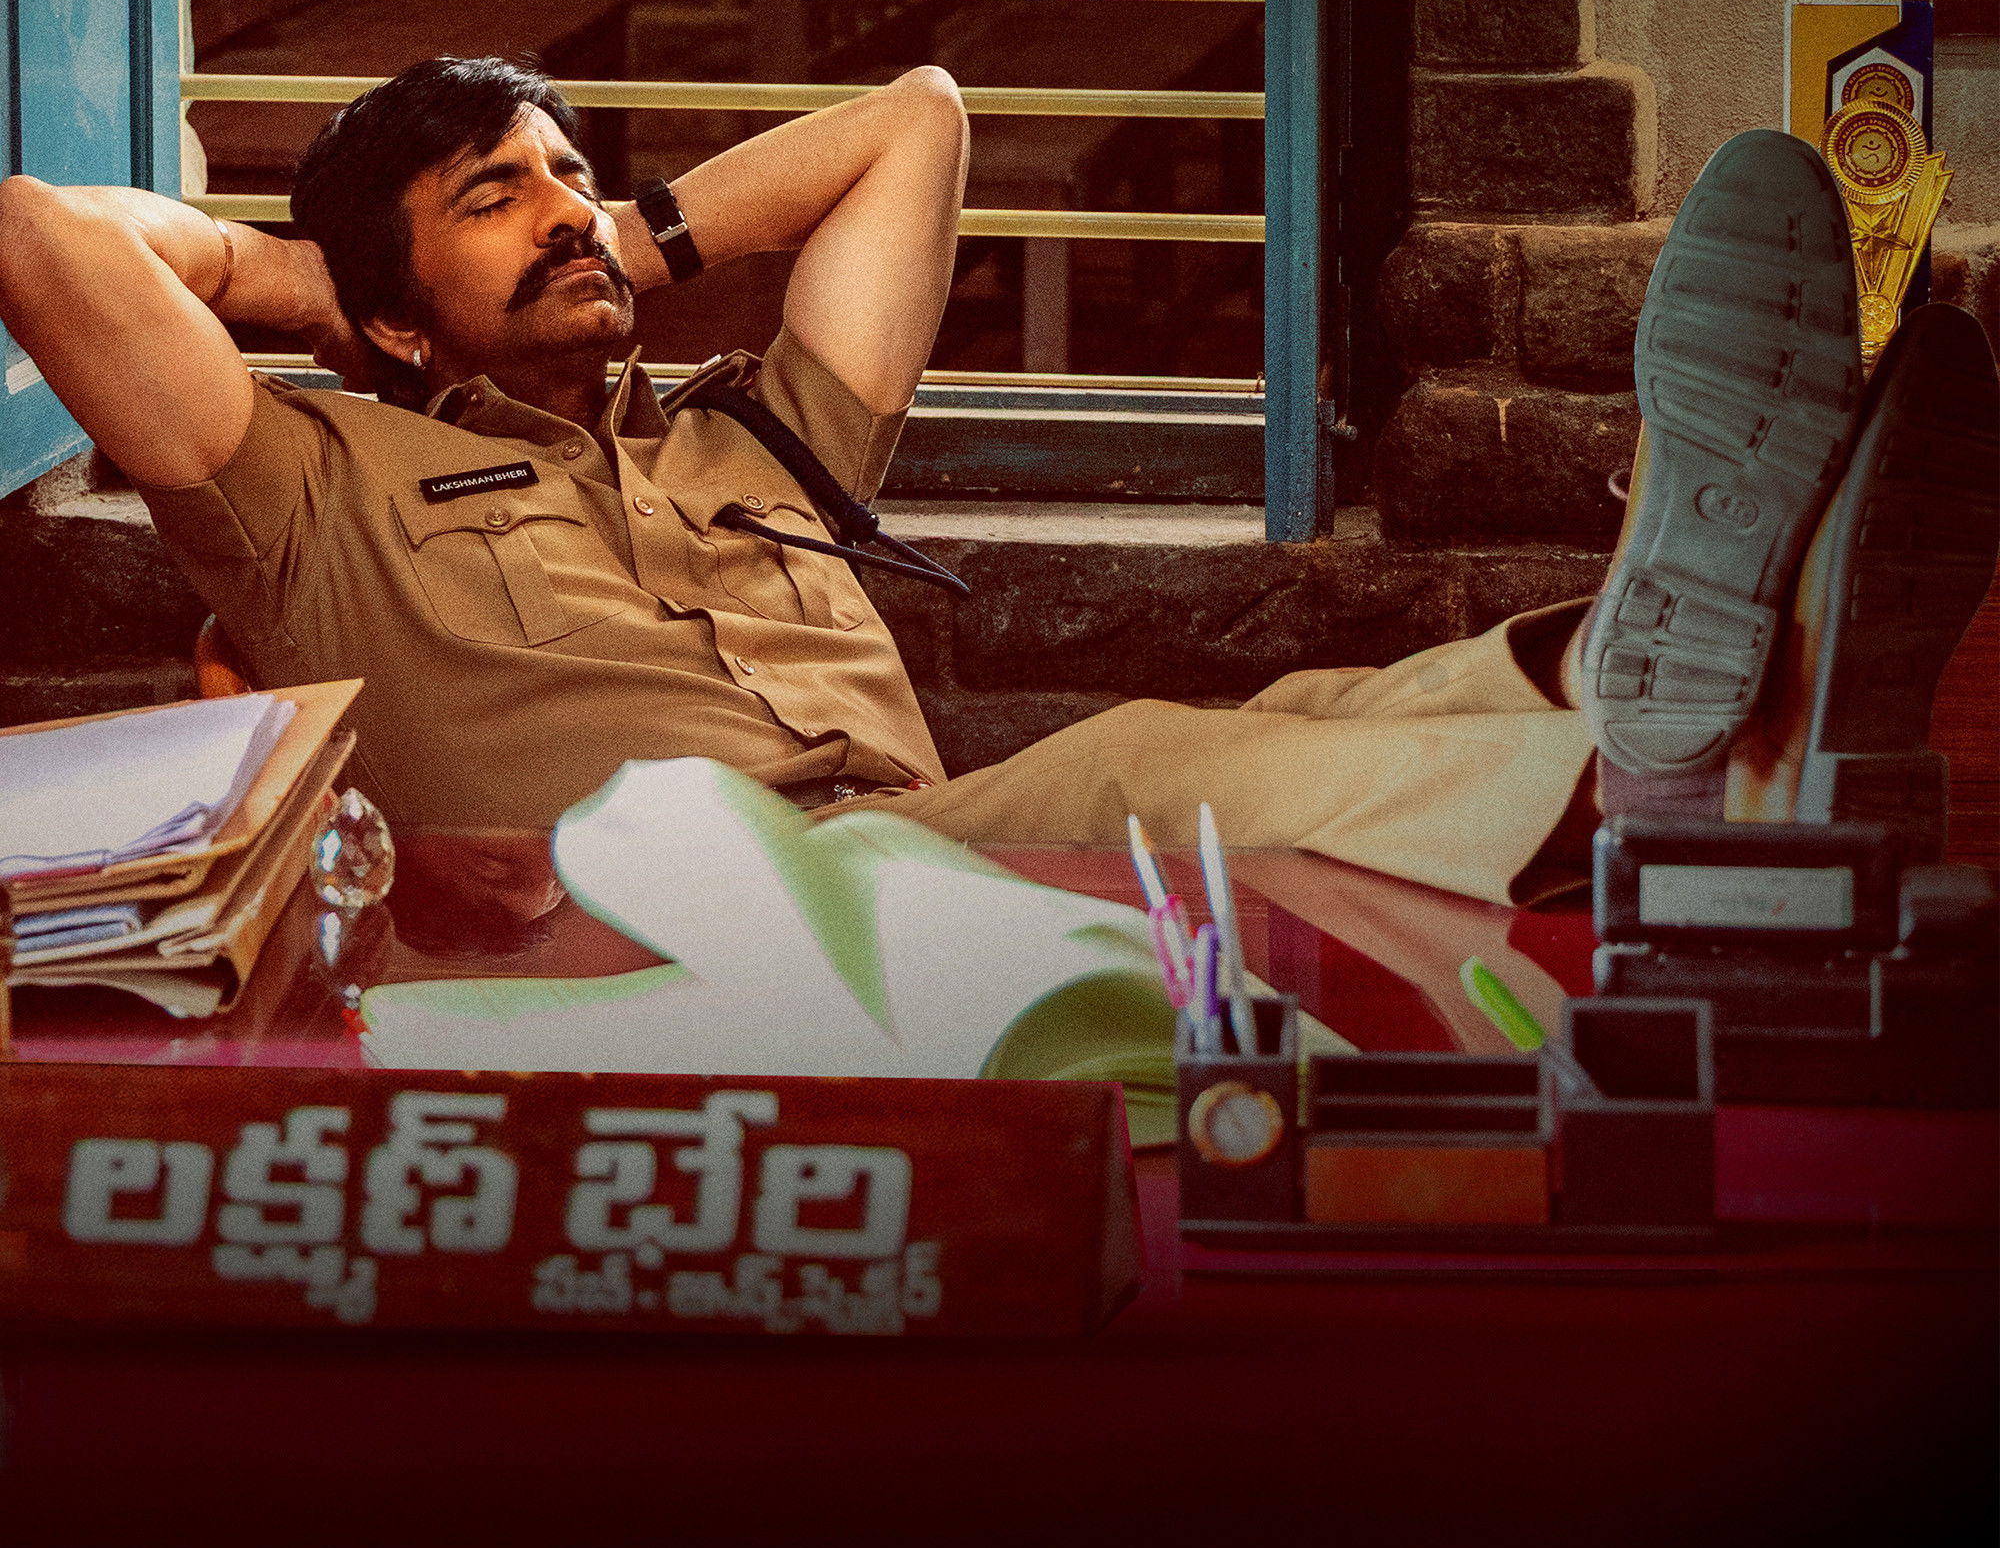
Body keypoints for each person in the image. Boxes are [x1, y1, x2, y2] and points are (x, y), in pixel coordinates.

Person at [0, 61, 1991, 912]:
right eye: (492, 197)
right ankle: (1691, 758)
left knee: (1322, 710)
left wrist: (623, 245)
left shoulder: (744, 436)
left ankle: (1699, 675)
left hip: (907, 861)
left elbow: (914, 122)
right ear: (385, 306)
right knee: (1135, 765)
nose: (566, 212)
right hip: (697, 914)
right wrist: (311, 294)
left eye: (571, 176)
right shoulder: (307, 485)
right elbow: (37, 235)